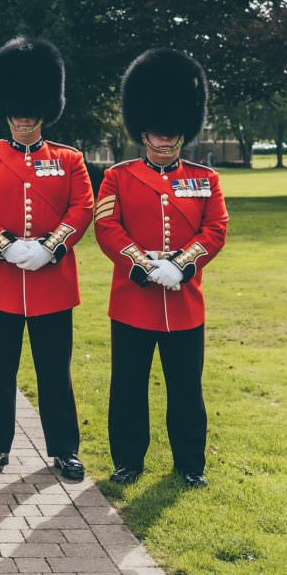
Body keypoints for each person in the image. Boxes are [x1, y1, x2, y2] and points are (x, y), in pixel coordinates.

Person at [0, 36, 94, 480]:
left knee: (55, 370)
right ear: (7, 111)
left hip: (51, 282)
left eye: (29, 112)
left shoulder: (69, 159)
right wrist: (6, 245)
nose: (22, 119)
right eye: (16, 112)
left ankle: (64, 449)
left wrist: (49, 247)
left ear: (44, 111)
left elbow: (82, 209)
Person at [94, 48, 228, 489]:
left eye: (172, 134)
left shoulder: (205, 179)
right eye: (157, 133)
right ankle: (129, 460)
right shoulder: (118, 176)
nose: (165, 141)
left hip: (185, 303)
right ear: (142, 131)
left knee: (187, 391)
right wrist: (141, 263)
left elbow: (215, 230)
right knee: (128, 389)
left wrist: (182, 266)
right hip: (133, 301)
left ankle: (190, 465)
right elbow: (108, 227)